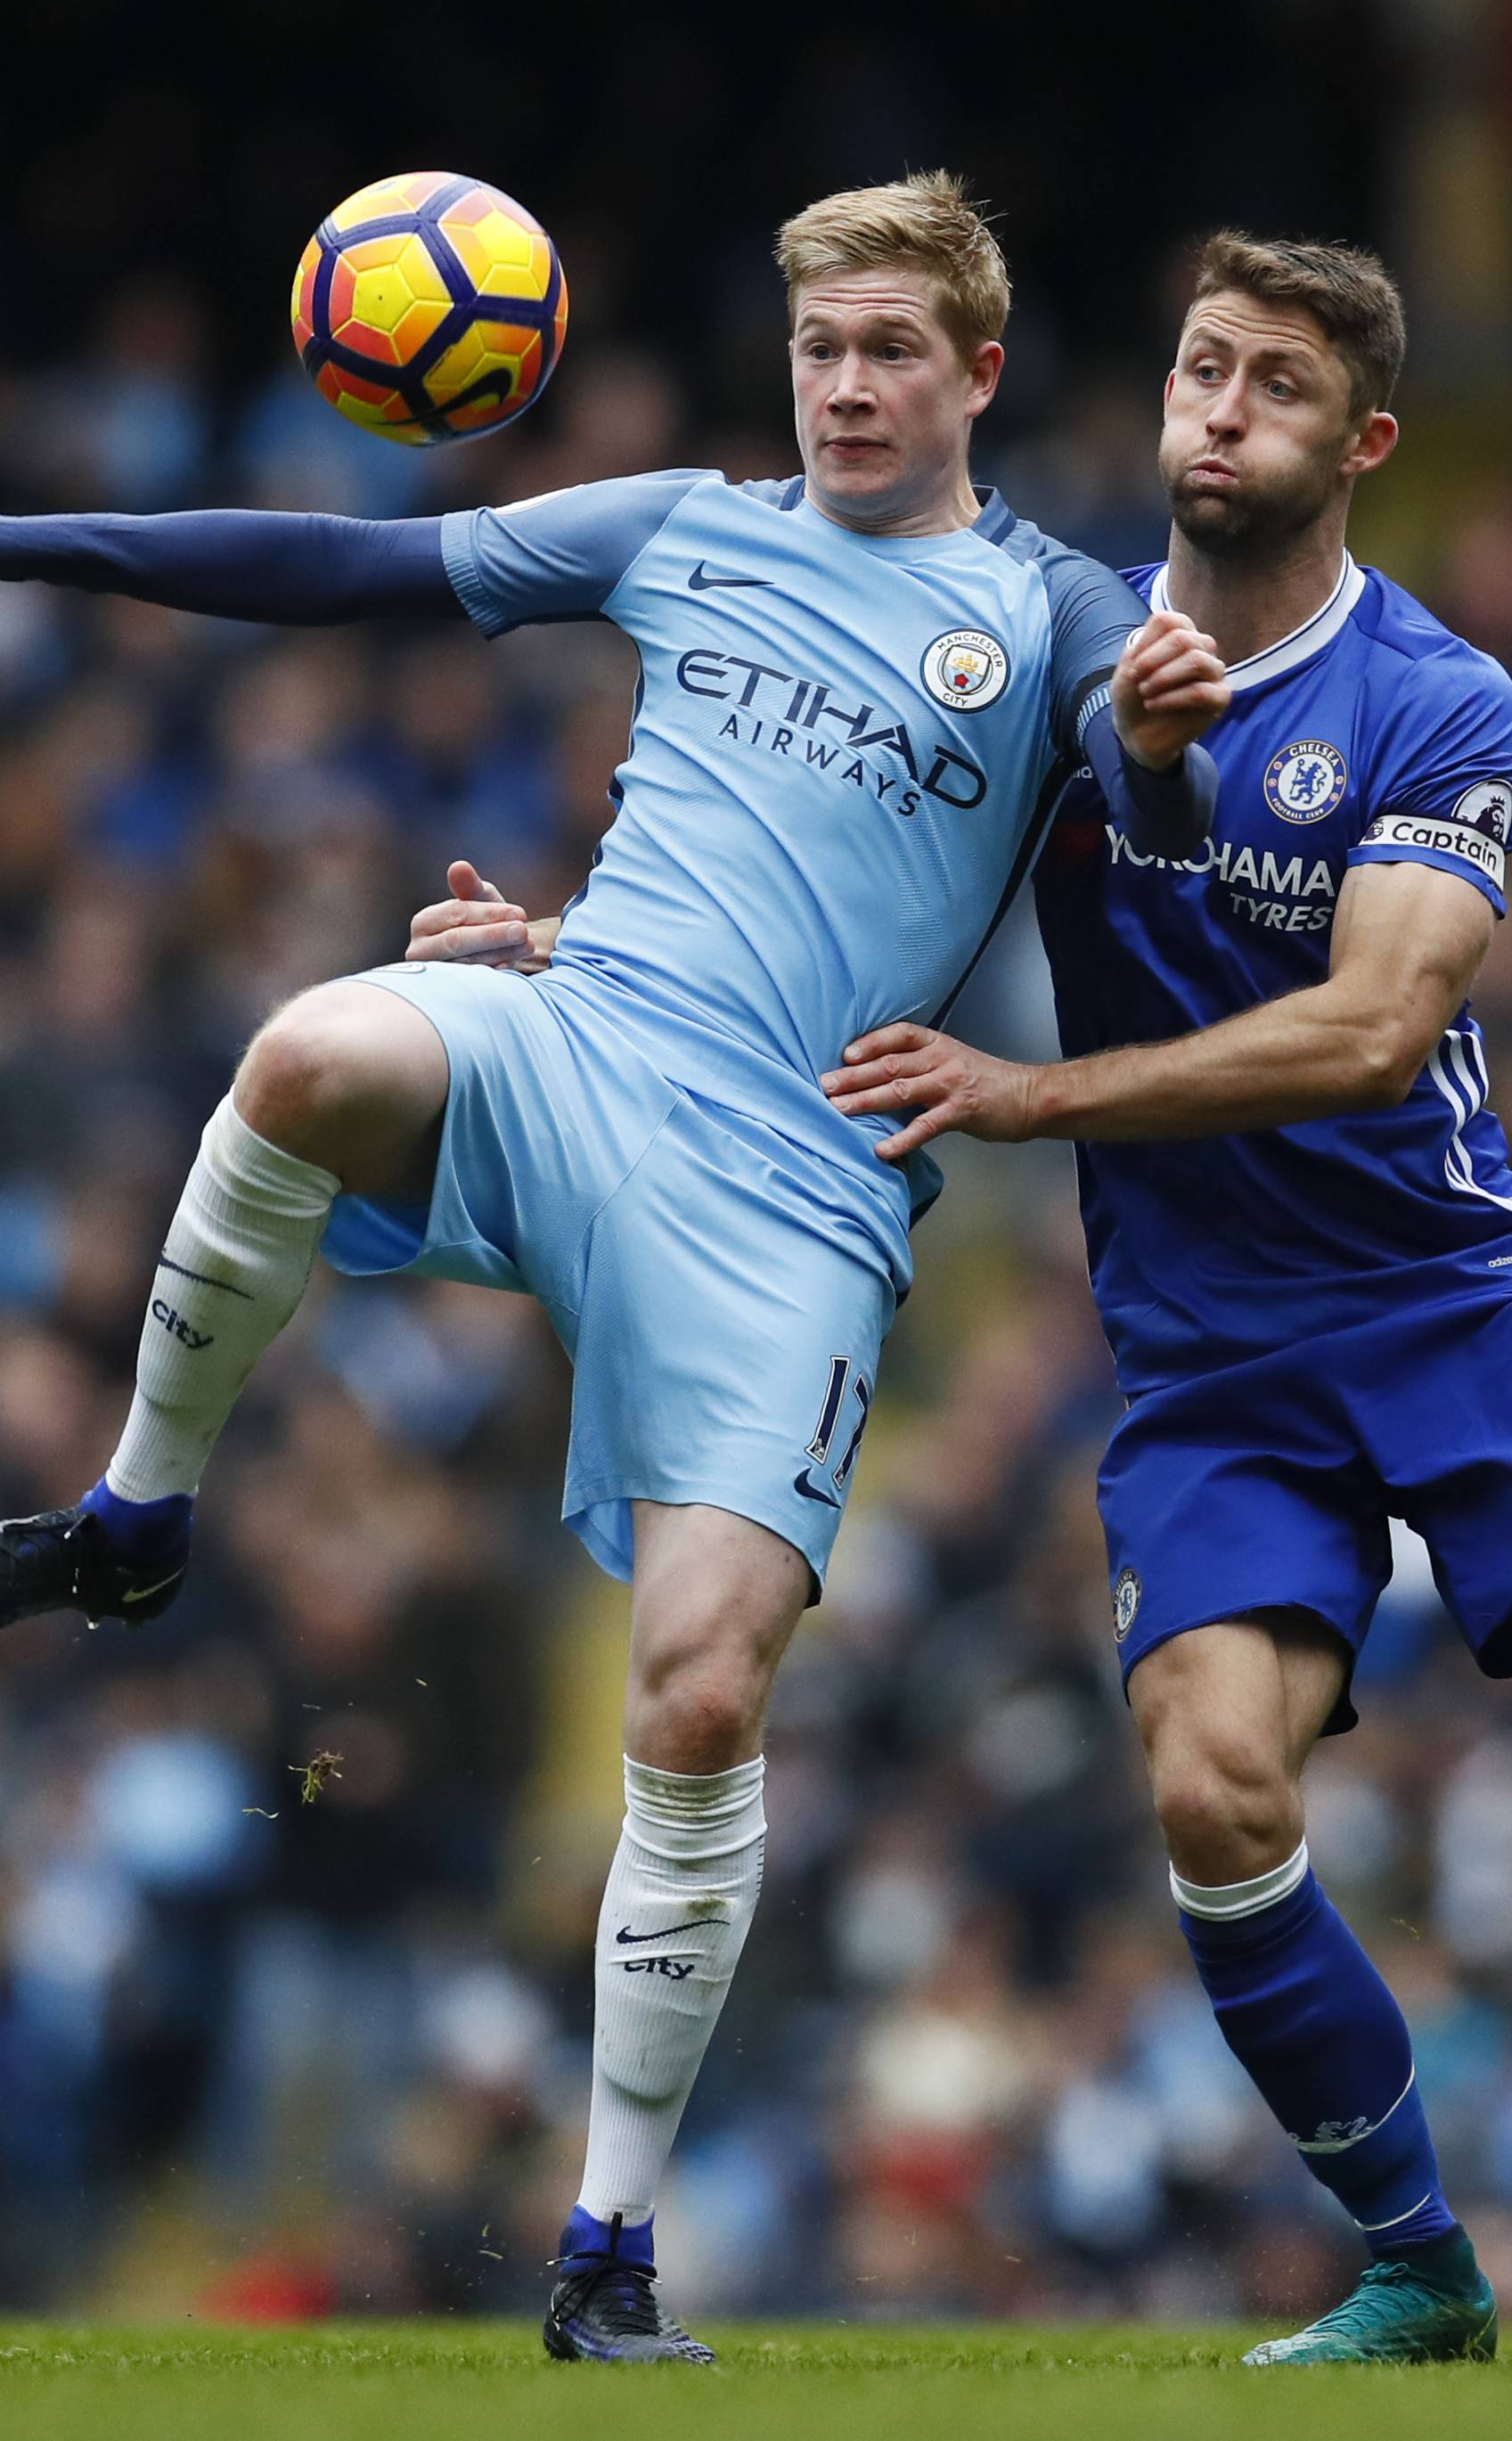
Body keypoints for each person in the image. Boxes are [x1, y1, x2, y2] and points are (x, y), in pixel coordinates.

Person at [0, 173, 1229, 2363]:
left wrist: (1154, 752)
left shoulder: (1054, 617)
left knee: (698, 1691)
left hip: (797, 1192)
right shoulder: (689, 522)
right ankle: (134, 1515)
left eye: (888, 354)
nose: (846, 388)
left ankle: (606, 2254)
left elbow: (1163, 851)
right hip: (583, 1039)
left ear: (977, 375)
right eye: (819, 350)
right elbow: (351, 571)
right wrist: (30, 535)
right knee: (300, 1048)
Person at [819, 231, 1512, 2365]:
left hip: (1447, 1294)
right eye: (1202, 370)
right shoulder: (1045, 657)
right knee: (1213, 1779)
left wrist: (1036, 1093)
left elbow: (1373, 1029)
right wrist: (573, 944)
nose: (1221, 412)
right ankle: (1419, 2265)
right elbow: (814, 881)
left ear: (1362, 441)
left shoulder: (1437, 693)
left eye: (1277, 386)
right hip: (1213, 1359)